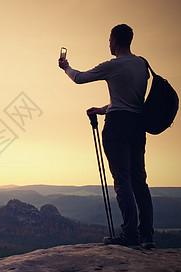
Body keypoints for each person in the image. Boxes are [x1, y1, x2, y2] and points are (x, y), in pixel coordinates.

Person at [58, 24, 155, 249]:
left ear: (115, 41)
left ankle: (130, 234)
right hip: (137, 125)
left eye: (109, 40)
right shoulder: (143, 65)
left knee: (122, 179)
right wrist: (102, 109)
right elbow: (130, 101)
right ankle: (147, 235)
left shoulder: (113, 66)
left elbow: (80, 78)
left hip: (118, 127)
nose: (108, 44)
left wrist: (66, 67)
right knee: (139, 179)